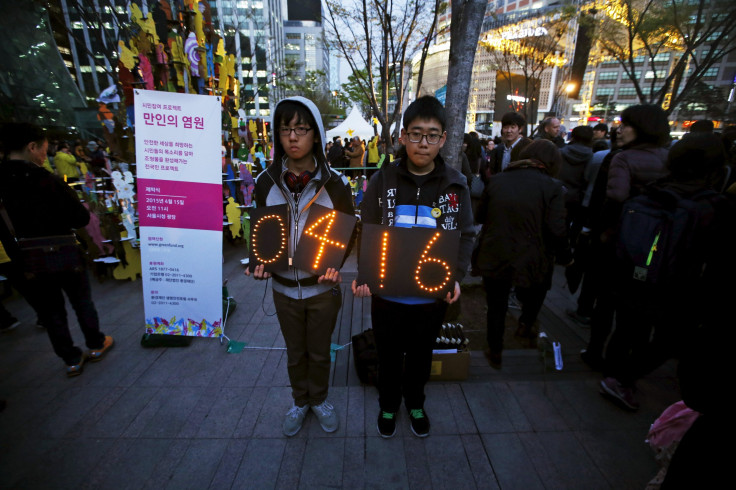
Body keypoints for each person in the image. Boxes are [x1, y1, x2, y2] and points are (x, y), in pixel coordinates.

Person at [353, 95, 474, 438]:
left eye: (432, 135)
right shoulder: (383, 180)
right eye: (416, 134)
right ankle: (389, 404)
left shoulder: (455, 184)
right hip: (387, 296)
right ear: (403, 135)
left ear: (444, 139)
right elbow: (368, 229)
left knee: (421, 356)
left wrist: (457, 277)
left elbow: (465, 234)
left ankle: (416, 402)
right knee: (389, 355)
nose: (423, 143)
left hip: (431, 296)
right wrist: (365, 275)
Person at [245, 96, 354, 437]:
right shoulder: (265, 182)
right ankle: (300, 400)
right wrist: (258, 263)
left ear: (316, 135)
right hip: (282, 290)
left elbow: (348, 233)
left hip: (323, 288)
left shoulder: (335, 184)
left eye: (301, 129)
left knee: (320, 353)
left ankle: (319, 399)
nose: (292, 137)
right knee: (295, 354)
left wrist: (338, 265)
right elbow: (262, 231)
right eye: (285, 129)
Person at [600, 132, 729, 411]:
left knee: (627, 326)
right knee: (670, 339)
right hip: (678, 286)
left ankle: (612, 373)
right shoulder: (712, 206)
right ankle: (622, 379)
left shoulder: (652, 191)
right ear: (717, 168)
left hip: (634, 276)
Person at [0, 123, 113, 376]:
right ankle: (95, 344)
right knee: (81, 301)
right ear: (31, 147)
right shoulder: (45, 179)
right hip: (65, 254)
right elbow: (80, 219)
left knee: (50, 311)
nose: (44, 155)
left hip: (27, 260)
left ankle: (71, 359)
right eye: (43, 149)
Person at [474, 140, 572, 367]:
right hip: (534, 256)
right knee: (536, 293)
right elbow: (557, 229)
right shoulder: (553, 187)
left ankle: (495, 349)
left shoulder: (497, 181)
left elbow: (481, 216)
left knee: (496, 305)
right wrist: (566, 256)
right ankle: (526, 324)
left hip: (496, 251)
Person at [558, 125, 594, 240]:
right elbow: (588, 178)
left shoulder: (560, 152)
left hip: (559, 194)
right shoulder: (592, 156)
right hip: (578, 197)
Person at [483, 112, 532, 179]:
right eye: (506, 127)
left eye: (513, 127)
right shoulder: (498, 150)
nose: (509, 131)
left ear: (520, 129)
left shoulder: (527, 148)